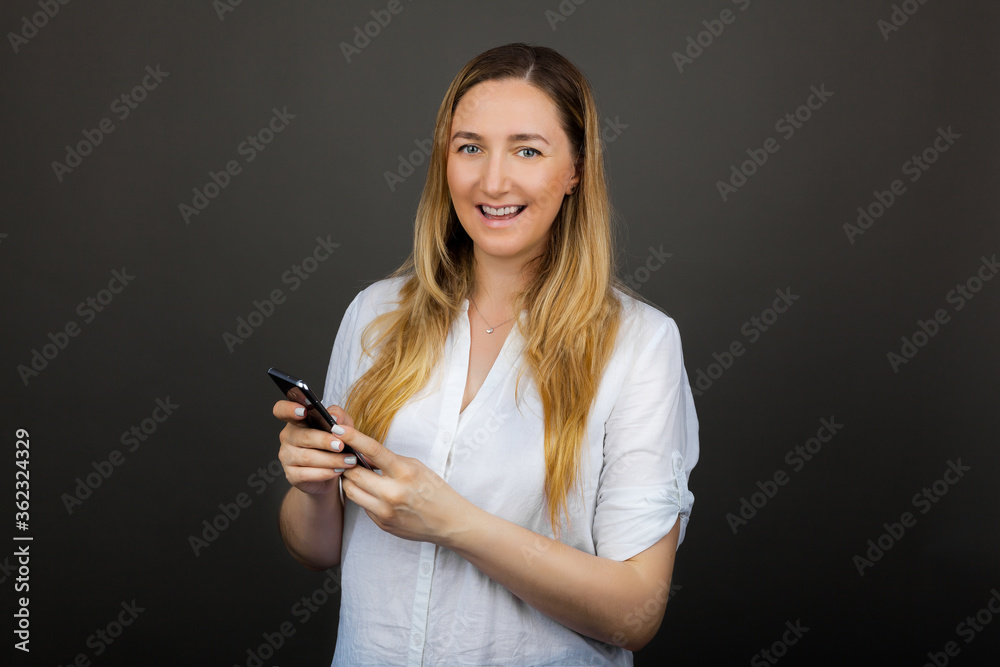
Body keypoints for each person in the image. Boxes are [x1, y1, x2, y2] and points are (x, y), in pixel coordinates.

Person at [273, 42, 699, 666]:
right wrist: (311, 488)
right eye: (469, 147)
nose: (492, 181)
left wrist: (452, 522)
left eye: (527, 150)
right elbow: (318, 550)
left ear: (576, 169)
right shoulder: (374, 315)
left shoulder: (640, 344)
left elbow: (635, 613)